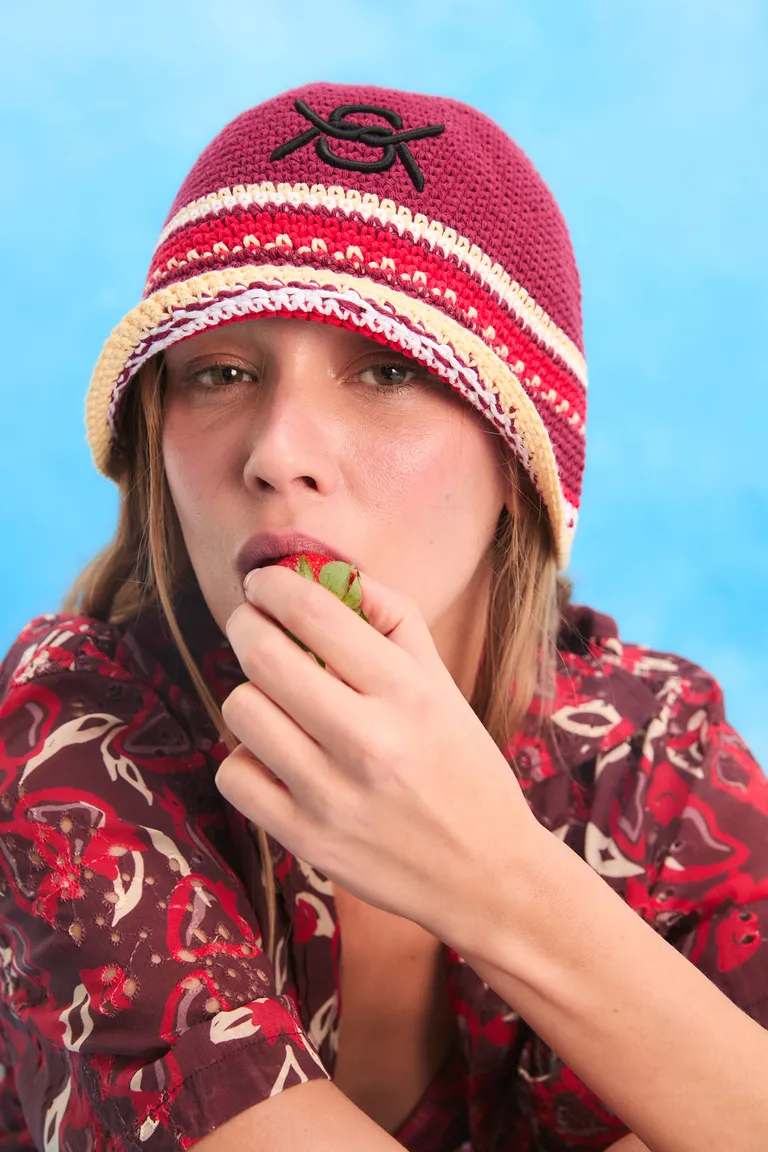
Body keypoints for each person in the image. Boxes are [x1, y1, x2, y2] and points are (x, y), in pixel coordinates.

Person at [0, 82, 766, 1152]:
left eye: (389, 370)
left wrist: (493, 878)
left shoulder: (655, 757)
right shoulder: (70, 745)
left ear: (522, 466)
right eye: (221, 371)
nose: (277, 455)